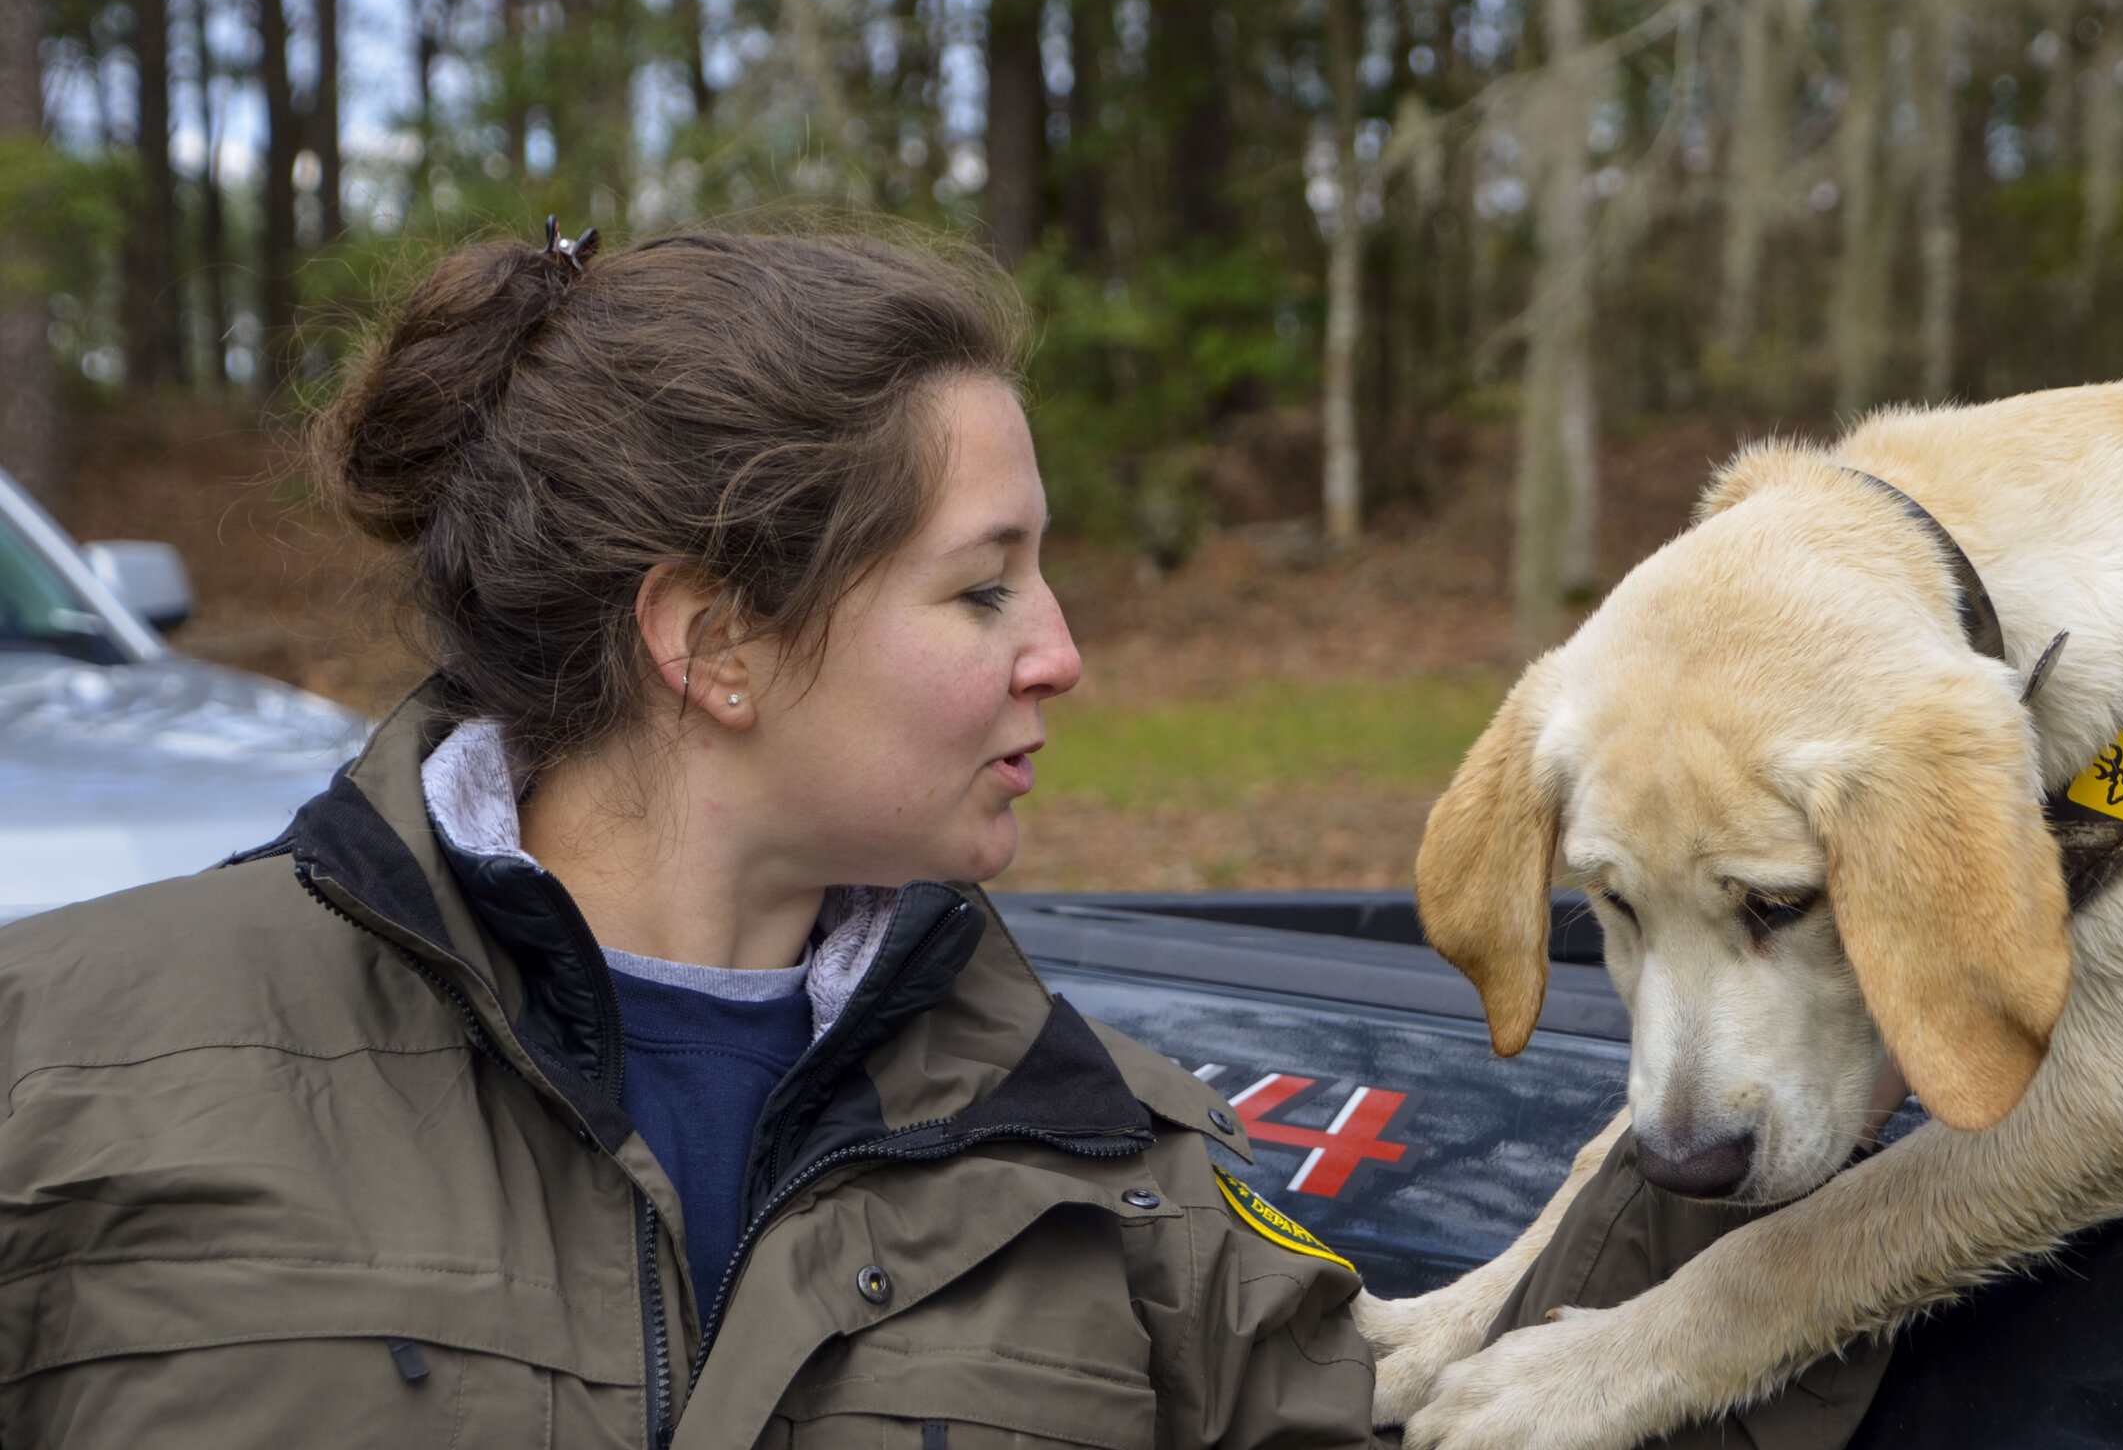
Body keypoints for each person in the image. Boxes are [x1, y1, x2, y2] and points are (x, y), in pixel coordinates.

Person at [0, 223, 1375, 1448]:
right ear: (715, 644)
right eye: (982, 589)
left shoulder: (1115, 1166)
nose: (1061, 655)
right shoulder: (59, 1063)